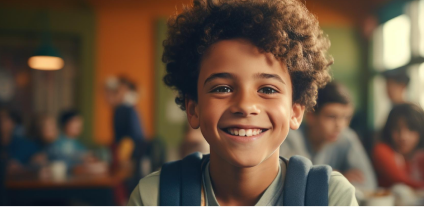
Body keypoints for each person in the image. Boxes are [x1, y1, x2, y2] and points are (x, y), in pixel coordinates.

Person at [127, 0, 358, 206]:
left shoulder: (330, 197)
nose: (246, 105)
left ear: (296, 112)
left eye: (268, 89)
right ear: (193, 108)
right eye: (223, 88)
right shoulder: (153, 197)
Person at [281, 82, 377, 190]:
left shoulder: (346, 138)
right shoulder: (290, 138)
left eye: (346, 117)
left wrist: (323, 180)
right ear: (310, 116)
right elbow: (291, 185)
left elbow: (368, 184)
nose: (340, 125)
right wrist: (336, 178)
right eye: (331, 116)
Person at [372, 103, 424, 189]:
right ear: (388, 130)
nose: (403, 136)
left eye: (411, 129)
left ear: (422, 132)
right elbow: (401, 181)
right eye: (396, 129)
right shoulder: (381, 150)